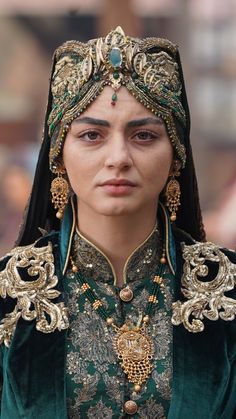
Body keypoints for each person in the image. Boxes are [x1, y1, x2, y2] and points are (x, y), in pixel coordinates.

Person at [0, 26, 235, 419]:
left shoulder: (226, 289)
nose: (118, 158)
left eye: (143, 135)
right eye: (92, 135)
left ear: (176, 154)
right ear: (58, 155)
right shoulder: (9, 295)